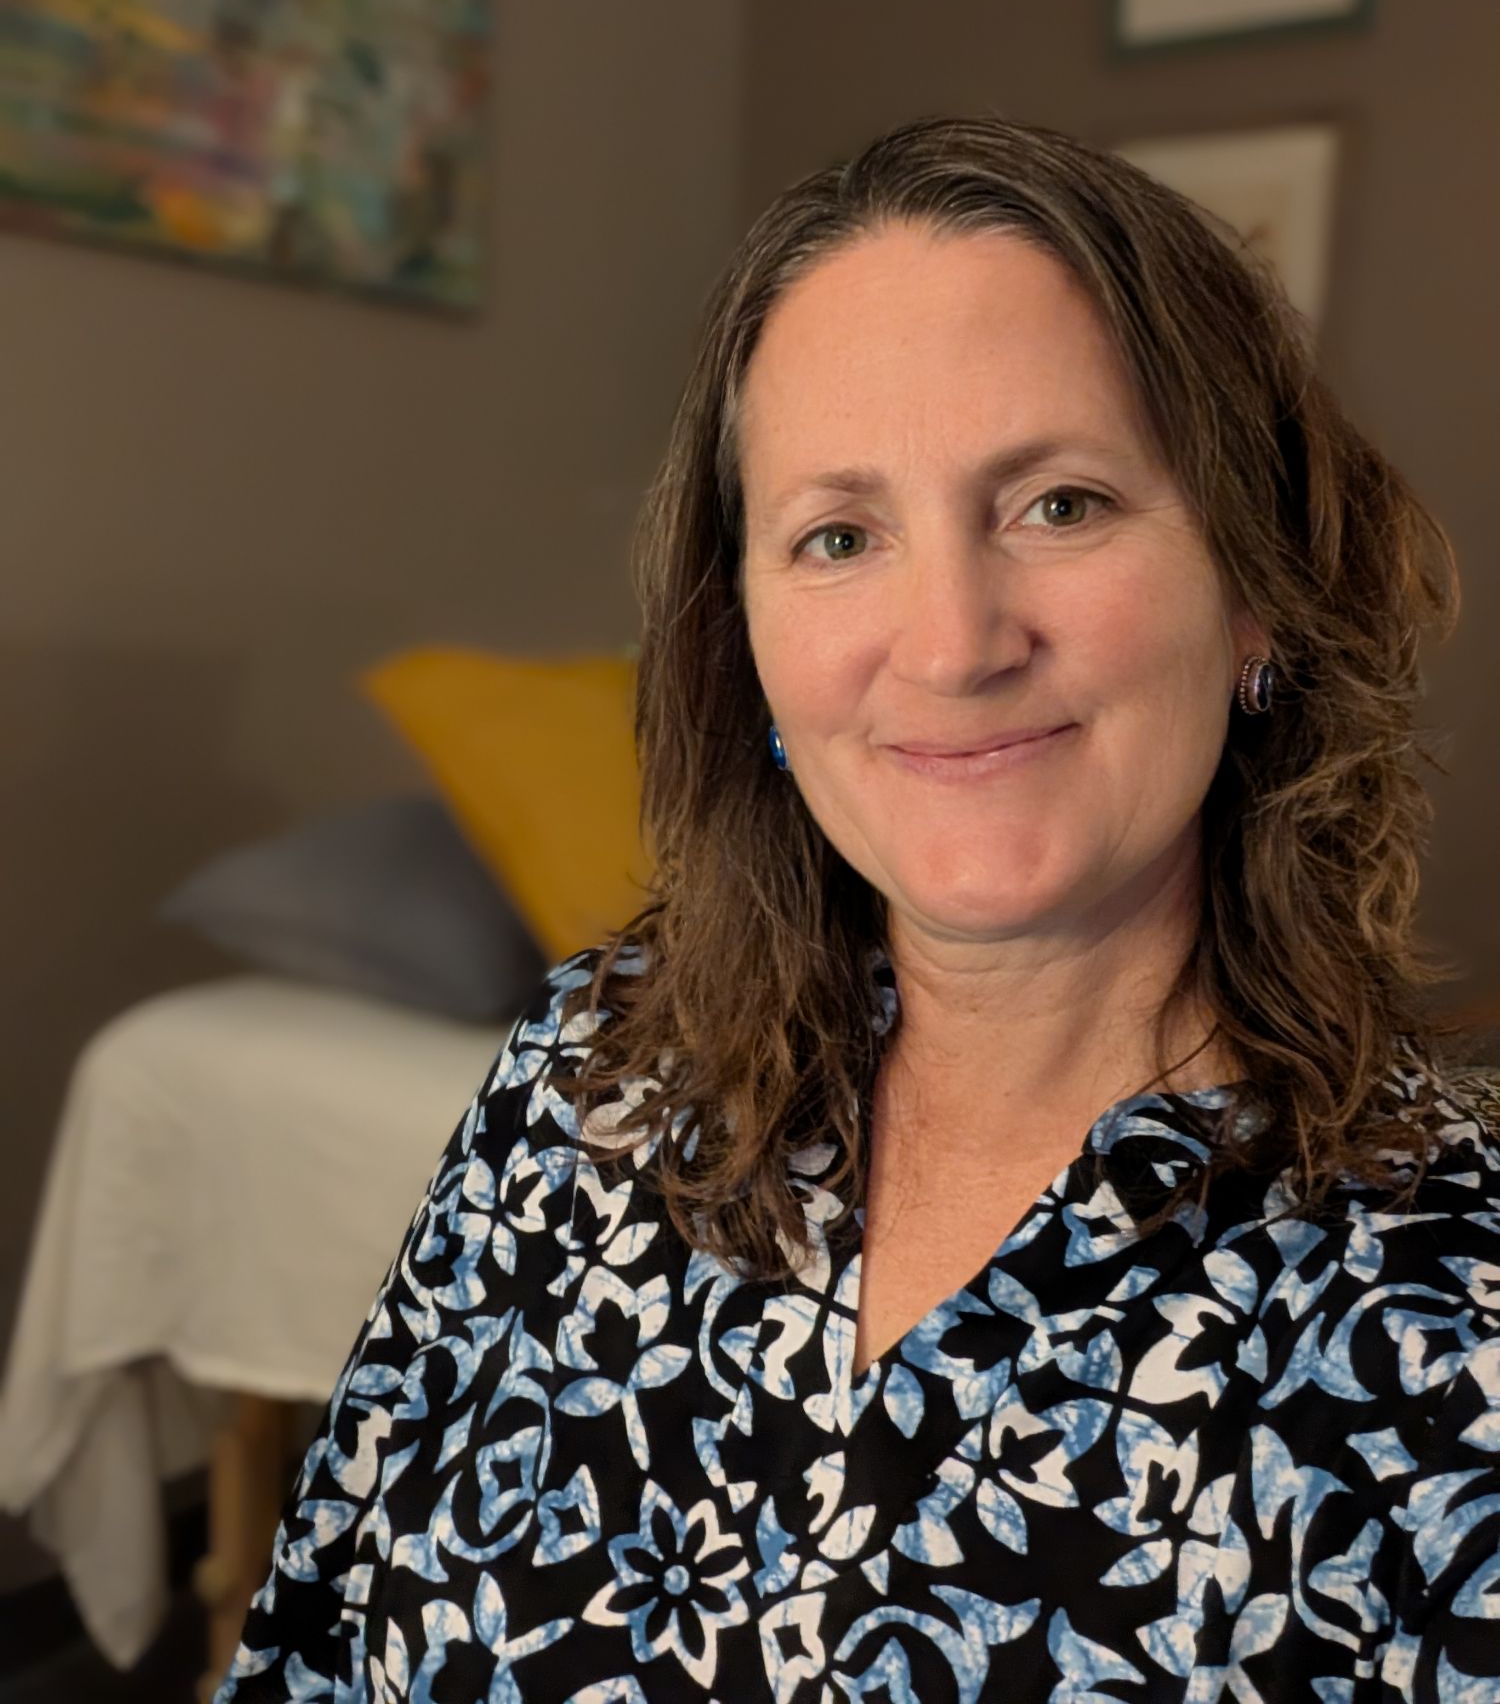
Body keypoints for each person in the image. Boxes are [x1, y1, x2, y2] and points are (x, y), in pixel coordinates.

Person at [215, 116, 1500, 1702]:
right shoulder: (584, 1085)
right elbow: (312, 1648)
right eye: (840, 536)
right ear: (744, 639)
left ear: (1253, 585)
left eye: (1062, 505)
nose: (953, 642)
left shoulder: (1455, 1323)